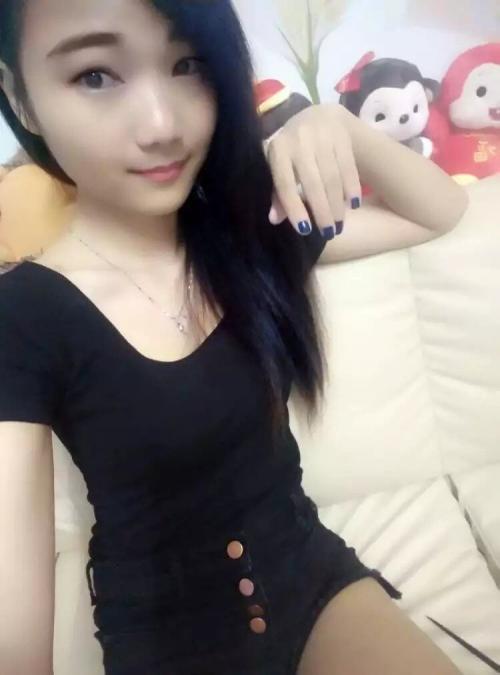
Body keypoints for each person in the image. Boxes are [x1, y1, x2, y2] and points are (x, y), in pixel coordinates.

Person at [0, 1, 468, 674]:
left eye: (188, 65)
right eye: (95, 76)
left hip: (314, 582)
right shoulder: (23, 315)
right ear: (20, 95)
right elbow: (16, 643)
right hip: (169, 641)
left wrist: (335, 123)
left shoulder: (251, 231)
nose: (162, 126)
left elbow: (439, 210)